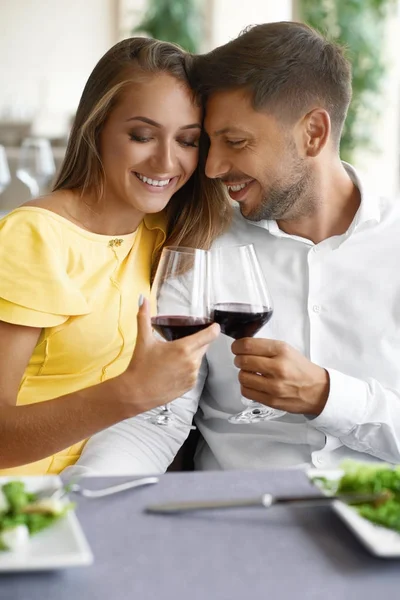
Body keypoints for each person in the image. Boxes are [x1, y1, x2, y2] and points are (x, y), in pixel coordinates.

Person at [67, 21, 400, 476]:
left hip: (380, 520)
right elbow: (155, 420)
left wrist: (327, 395)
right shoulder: (202, 243)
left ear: (313, 133)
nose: (212, 167)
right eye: (207, 142)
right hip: (233, 521)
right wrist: (82, 502)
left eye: (236, 142)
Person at [0, 36, 228, 475]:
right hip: (22, 504)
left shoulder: (166, 231)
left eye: (187, 141)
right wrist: (132, 393)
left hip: (105, 492)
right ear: (96, 129)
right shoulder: (34, 238)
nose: (166, 161)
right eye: (142, 135)